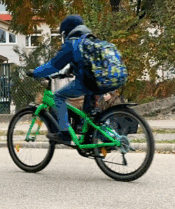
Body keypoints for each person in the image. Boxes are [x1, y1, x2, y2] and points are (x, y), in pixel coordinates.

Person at [28, 15, 126, 145]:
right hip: (109, 79)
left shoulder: (72, 43)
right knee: (91, 114)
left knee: (58, 96)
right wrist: (67, 72)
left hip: (90, 81)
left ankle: (64, 133)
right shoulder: (90, 41)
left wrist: (36, 72)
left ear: (66, 31)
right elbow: (81, 63)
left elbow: (54, 65)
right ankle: (94, 139)